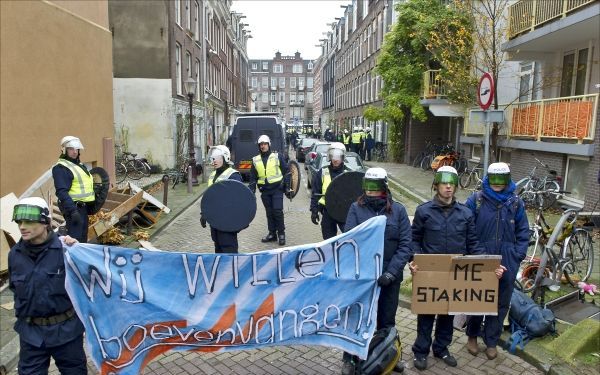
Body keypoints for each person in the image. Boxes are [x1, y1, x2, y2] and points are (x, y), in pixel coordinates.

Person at [410, 166, 502, 371]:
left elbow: (473, 243)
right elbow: (414, 239)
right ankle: (421, 351)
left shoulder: (465, 213)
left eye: (452, 184)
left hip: (454, 272)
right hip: (430, 272)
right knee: (426, 314)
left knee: (447, 313)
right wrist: (414, 260)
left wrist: (489, 267)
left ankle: (441, 348)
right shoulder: (423, 211)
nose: (448, 188)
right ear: (436, 186)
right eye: (444, 184)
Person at [341, 167, 412, 375]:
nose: (370, 192)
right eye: (367, 187)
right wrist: (361, 273)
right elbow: (349, 240)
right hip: (364, 279)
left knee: (387, 319)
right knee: (358, 319)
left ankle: (391, 353)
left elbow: (406, 244)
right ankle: (350, 358)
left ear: (384, 187)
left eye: (375, 187)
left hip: (389, 277)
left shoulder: (398, 211)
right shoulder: (356, 208)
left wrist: (391, 273)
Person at [8, 197, 87, 374]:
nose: (22, 226)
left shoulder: (66, 250)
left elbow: (90, 284)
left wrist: (78, 250)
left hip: (66, 332)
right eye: (20, 221)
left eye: (29, 221)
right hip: (31, 335)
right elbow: (15, 289)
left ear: (46, 222)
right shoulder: (14, 255)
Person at [464, 162, 528, 360]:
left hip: (507, 259)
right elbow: (467, 228)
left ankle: (491, 341)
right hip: (481, 256)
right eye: (493, 179)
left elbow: (523, 231)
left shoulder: (516, 202)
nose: (497, 184)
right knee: (477, 299)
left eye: (502, 179)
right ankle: (472, 336)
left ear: (508, 179)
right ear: (488, 179)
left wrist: (517, 255)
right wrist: (477, 255)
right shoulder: (476, 200)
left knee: (500, 303)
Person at [200, 145, 244, 253]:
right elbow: (209, 198)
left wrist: (237, 223)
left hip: (227, 222)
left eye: (217, 158)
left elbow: (239, 201)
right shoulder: (213, 175)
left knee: (229, 252)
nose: (214, 161)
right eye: (213, 158)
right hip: (214, 221)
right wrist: (204, 214)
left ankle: (231, 270)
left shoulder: (233, 175)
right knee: (218, 249)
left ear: (225, 158)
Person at [248, 135, 290, 246]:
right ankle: (272, 234)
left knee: (277, 211)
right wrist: (250, 191)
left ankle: (281, 234)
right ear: (259, 146)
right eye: (261, 144)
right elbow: (253, 177)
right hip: (265, 191)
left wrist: (287, 186)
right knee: (269, 213)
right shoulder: (255, 160)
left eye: (265, 144)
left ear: (269, 145)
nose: (263, 146)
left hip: (277, 189)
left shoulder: (277, 156)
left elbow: (287, 171)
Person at [52, 136, 95, 243]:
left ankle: (80, 259)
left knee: (83, 239)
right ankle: (73, 259)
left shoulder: (78, 165)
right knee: (75, 240)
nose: (75, 152)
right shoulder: (61, 168)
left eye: (77, 149)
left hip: (83, 209)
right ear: (64, 150)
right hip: (74, 209)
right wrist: (73, 211)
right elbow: (61, 192)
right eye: (71, 149)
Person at [310, 143, 347, 239]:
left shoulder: (348, 174)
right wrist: (314, 210)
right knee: (328, 240)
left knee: (349, 237)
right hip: (328, 211)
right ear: (330, 156)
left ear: (342, 157)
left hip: (344, 212)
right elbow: (315, 193)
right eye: (333, 156)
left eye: (338, 156)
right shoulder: (322, 172)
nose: (335, 159)